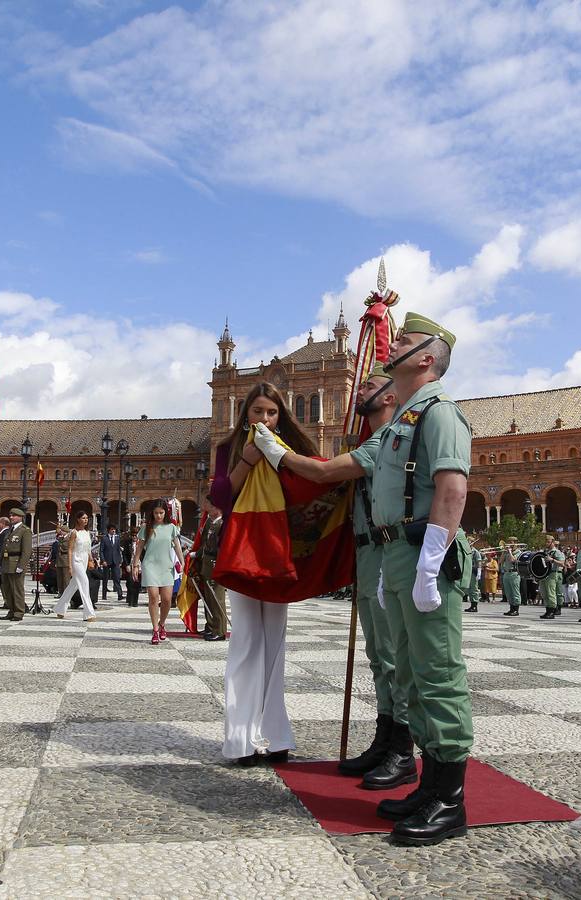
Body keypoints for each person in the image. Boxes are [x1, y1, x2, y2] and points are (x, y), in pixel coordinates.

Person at [259, 313, 474, 845]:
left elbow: (452, 488)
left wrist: (430, 560)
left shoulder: (440, 414)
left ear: (426, 358)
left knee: (438, 673)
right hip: (394, 556)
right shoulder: (404, 420)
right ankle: (428, 785)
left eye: (403, 340)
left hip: (422, 555)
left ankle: (450, 799)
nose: (391, 345)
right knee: (413, 674)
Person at [276, 362, 412, 790]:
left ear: (389, 396)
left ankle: (403, 749)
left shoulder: (388, 442)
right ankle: (385, 738)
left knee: (394, 655)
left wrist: (276, 451)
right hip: (367, 555)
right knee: (378, 654)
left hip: (389, 554)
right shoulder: (370, 439)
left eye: (369, 386)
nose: (360, 391)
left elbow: (323, 472)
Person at [210, 382, 314, 764]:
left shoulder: (293, 450)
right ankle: (240, 739)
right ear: (245, 413)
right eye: (258, 412)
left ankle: (276, 736)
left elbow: (315, 487)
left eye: (271, 413)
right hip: (243, 551)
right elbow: (220, 497)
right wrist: (250, 459)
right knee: (246, 641)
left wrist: (280, 458)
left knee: (276, 643)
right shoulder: (228, 448)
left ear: (280, 415)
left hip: (280, 552)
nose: (265, 419)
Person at [134, 500, 184, 644]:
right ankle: (155, 629)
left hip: (166, 566)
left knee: (167, 599)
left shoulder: (171, 527)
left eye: (161, 513)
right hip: (150, 565)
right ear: (152, 513)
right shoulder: (146, 527)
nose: (158, 516)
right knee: (154, 597)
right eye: (156, 513)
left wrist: (183, 562)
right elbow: (139, 547)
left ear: (166, 513)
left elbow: (177, 547)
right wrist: (135, 564)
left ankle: (162, 624)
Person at [55, 511, 97, 622]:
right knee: (84, 583)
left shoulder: (87, 532)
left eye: (87, 518)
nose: (86, 520)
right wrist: (70, 566)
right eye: (83, 518)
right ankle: (89, 613)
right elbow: (69, 549)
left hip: (84, 559)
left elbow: (88, 549)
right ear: (78, 519)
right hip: (76, 559)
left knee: (72, 586)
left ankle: (60, 609)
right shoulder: (74, 533)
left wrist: (91, 559)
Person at [196, 501, 228, 640]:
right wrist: (195, 555)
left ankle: (220, 630)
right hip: (207, 564)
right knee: (208, 598)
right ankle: (211, 625)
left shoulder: (222, 524)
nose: (208, 507)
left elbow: (222, 547)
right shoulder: (211, 523)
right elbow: (205, 544)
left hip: (216, 564)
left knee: (217, 598)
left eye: (212, 505)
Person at [0, 510, 32, 621]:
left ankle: (18, 612)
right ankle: (11, 610)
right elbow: (4, 548)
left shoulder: (25, 531)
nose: (11, 517)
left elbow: (27, 550)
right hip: (6, 562)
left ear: (21, 517)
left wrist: (21, 565)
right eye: (11, 515)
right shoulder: (9, 530)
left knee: (17, 589)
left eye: (14, 515)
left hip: (16, 562)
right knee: (7, 589)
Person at [537, 535, 566, 618]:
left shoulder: (556, 552)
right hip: (544, 575)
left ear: (553, 542)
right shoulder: (545, 552)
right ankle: (547, 610)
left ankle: (552, 611)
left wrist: (552, 560)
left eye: (548, 542)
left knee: (551, 593)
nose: (546, 543)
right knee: (544, 593)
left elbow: (562, 563)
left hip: (552, 574)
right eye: (546, 541)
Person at [99, 525, 125, 604]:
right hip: (107, 561)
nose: (113, 531)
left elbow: (117, 549)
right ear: (108, 530)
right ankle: (104, 595)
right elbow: (101, 550)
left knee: (117, 577)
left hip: (115, 561)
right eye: (112, 529)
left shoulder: (117, 538)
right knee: (105, 578)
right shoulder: (104, 538)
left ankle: (120, 594)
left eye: (114, 530)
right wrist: (103, 560)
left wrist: (120, 560)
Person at [501, 544, 521, 616]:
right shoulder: (506, 552)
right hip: (506, 573)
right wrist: (504, 552)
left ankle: (516, 609)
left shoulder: (518, 552)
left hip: (514, 573)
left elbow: (513, 560)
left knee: (515, 592)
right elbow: (500, 561)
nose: (510, 545)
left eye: (512, 543)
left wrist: (510, 552)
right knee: (508, 592)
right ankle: (511, 608)